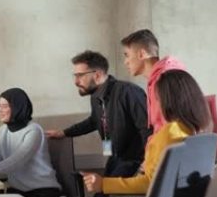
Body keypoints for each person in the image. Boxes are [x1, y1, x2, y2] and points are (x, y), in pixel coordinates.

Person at [78, 69, 210, 197]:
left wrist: (103, 184)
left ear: (166, 101)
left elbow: (149, 183)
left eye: (154, 99)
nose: (151, 105)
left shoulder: (169, 134)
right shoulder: (194, 131)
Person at [46, 50, 150, 178]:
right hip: (115, 159)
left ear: (97, 75)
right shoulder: (96, 97)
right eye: (75, 76)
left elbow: (148, 127)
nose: (76, 82)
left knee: (105, 195)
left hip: (136, 161)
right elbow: (94, 121)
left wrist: (147, 160)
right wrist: (64, 132)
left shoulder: (128, 92)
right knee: (101, 195)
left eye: (80, 75)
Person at [120, 29, 187, 135]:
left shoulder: (165, 81)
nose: (125, 62)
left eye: (127, 55)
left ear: (142, 54)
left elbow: (173, 132)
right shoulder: (161, 78)